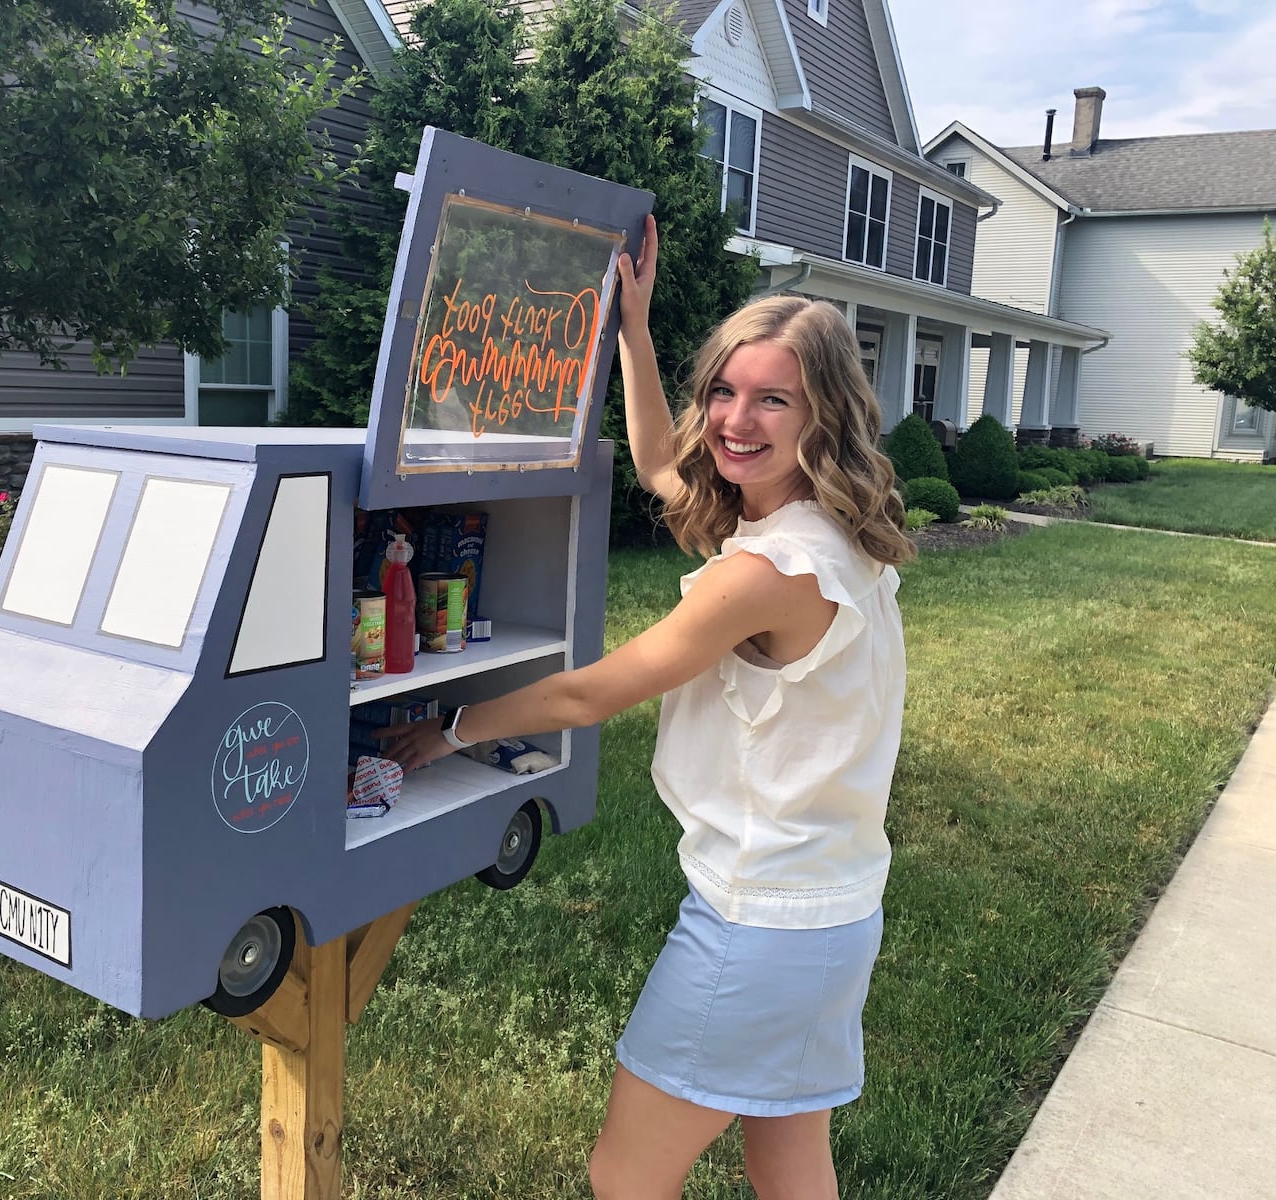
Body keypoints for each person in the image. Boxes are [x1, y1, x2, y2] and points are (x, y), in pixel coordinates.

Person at [379, 215, 913, 1200]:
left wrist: (451, 728)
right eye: (723, 392)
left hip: (756, 924)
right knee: (788, 1155)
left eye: (771, 402)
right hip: (832, 913)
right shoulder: (835, 535)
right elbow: (666, 468)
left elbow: (591, 691)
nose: (734, 421)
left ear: (823, 413)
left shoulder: (765, 572)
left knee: (624, 1176)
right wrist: (632, 330)